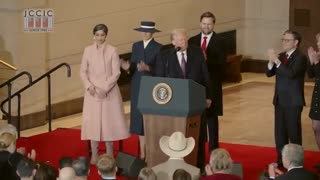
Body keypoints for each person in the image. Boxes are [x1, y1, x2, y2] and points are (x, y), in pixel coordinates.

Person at [80, 24, 130, 164]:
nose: (100, 38)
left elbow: (116, 73)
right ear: (93, 35)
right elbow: (83, 71)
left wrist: (105, 88)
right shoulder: (87, 50)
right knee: (93, 123)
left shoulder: (112, 50)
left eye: (102, 35)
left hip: (109, 92)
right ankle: (94, 154)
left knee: (109, 123)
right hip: (92, 93)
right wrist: (89, 86)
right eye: (97, 35)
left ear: (106, 36)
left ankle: (109, 153)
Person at [266, 30, 308, 167]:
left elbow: (291, 74)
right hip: (279, 100)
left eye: (287, 40)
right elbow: (269, 73)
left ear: (296, 42)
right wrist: (271, 61)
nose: (284, 42)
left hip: (293, 101)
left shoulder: (300, 57)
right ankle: (281, 161)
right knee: (280, 134)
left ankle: (296, 164)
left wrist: (277, 61)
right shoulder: (282, 56)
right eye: (283, 39)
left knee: (294, 134)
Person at [121, 21, 162, 160]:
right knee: (138, 119)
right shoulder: (136, 45)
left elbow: (161, 70)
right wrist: (127, 67)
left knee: (150, 119)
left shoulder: (158, 48)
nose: (144, 33)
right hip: (137, 84)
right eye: (142, 31)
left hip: (151, 86)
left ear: (153, 33)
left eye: (147, 31)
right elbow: (133, 66)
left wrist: (148, 68)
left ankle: (151, 151)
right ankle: (142, 152)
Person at [189, 11, 226, 154]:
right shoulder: (192, 40)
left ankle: (213, 151)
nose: (206, 26)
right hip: (196, 86)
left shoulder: (221, 41)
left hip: (212, 86)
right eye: (204, 24)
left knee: (211, 119)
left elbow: (222, 64)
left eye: (209, 24)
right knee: (197, 118)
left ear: (213, 24)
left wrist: (206, 60)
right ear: (200, 24)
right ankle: (197, 150)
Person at [307, 32, 320, 150]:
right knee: (316, 127)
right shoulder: (318, 56)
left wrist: (316, 62)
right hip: (317, 98)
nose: (318, 44)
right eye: (318, 41)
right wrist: (311, 60)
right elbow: (311, 75)